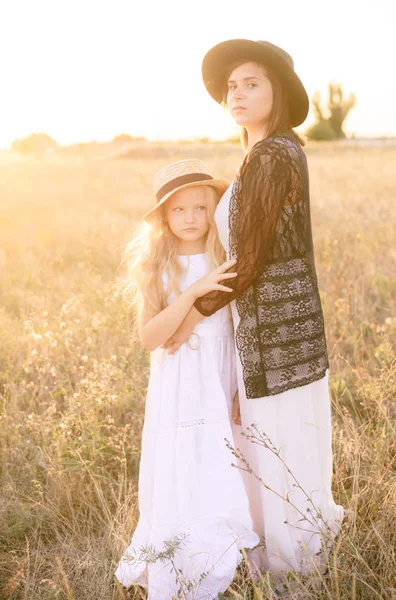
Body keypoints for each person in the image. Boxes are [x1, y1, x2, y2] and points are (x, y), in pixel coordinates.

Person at [163, 40, 344, 584]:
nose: (237, 94)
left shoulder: (272, 156)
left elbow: (252, 259)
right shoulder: (267, 153)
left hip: (278, 333)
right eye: (232, 87)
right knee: (279, 449)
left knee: (281, 448)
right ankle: (294, 553)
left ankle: (294, 571)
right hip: (273, 329)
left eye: (252, 84)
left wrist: (186, 315)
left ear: (277, 92)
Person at [114, 159, 259, 599]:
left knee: (222, 456)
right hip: (177, 379)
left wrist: (240, 386)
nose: (191, 218)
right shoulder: (158, 267)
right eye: (179, 211)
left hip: (219, 371)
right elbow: (153, 337)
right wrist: (193, 293)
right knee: (184, 457)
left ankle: (227, 548)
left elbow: (236, 327)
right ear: (164, 218)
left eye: (200, 207)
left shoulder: (224, 257)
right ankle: (183, 551)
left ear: (213, 208)